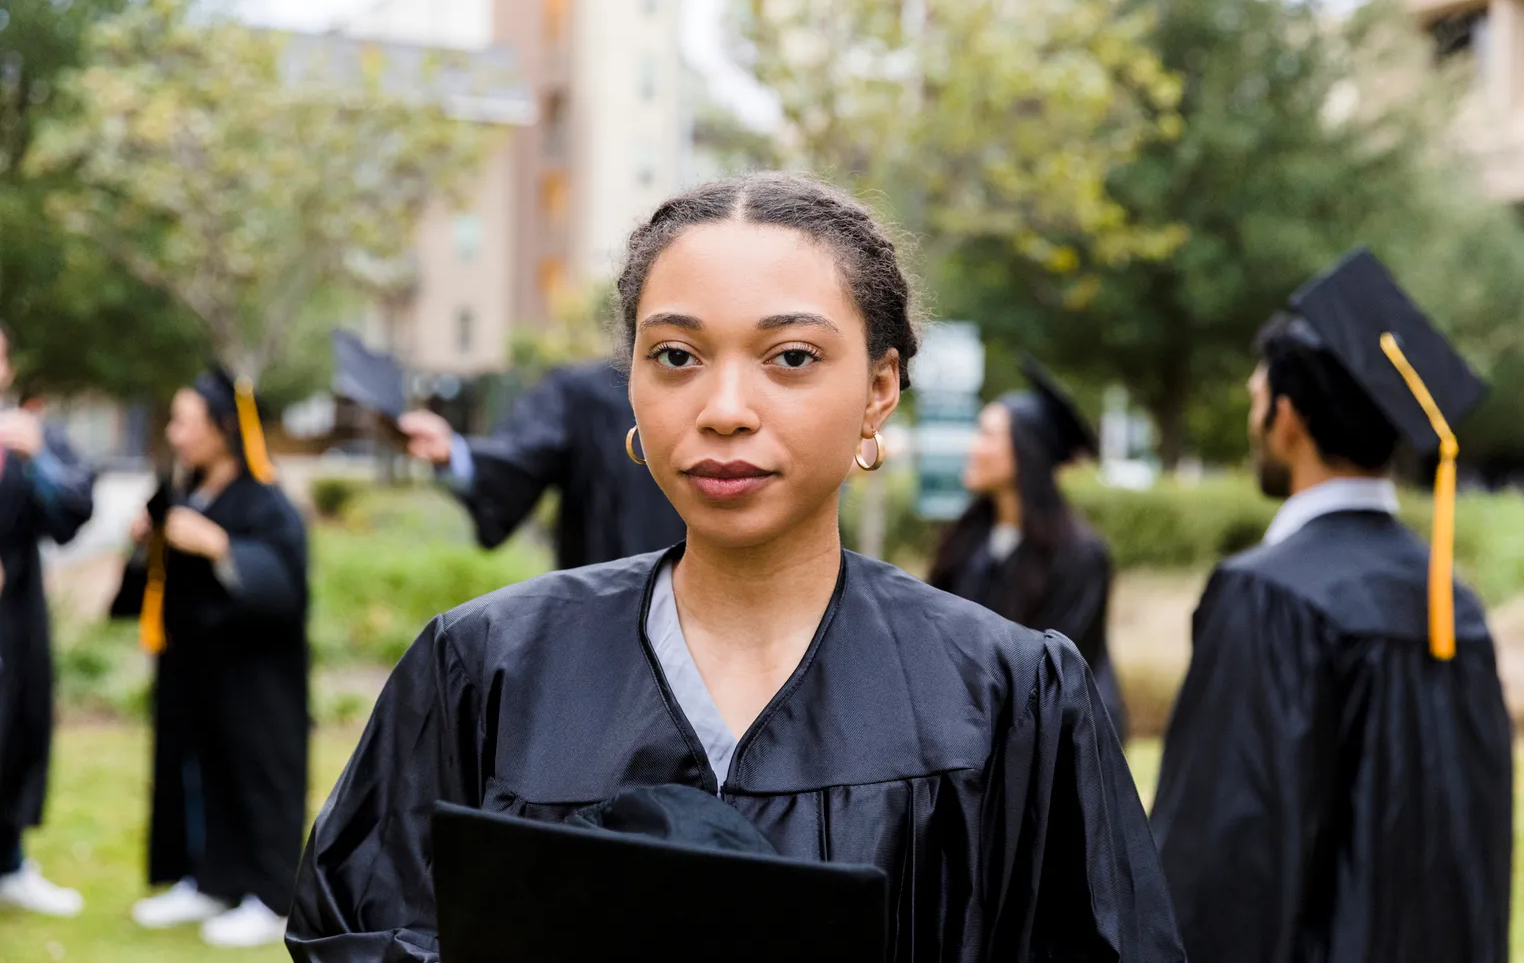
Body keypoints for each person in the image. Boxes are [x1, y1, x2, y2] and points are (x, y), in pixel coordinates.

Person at [287, 172, 1182, 961]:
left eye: (791, 358)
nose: (722, 410)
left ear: (879, 390)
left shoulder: (1004, 697)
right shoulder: (486, 669)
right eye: (675, 356)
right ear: (629, 381)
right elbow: (361, 929)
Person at [1151, 248, 1512, 963]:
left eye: (1257, 401)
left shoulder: (1269, 597)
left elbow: (1221, 866)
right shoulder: (1453, 604)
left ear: (1288, 417)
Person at [110, 369, 309, 949]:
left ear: (224, 428)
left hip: (255, 675)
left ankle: (272, 898)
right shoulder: (184, 491)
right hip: (195, 669)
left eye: (183, 422)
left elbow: (286, 583)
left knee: (257, 775)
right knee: (198, 774)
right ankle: (208, 881)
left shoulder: (267, 500)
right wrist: (144, 540)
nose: (173, 434)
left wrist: (220, 545)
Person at [928, 357, 1128, 741]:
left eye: (986, 435)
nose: (973, 447)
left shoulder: (1080, 556)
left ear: (1024, 451)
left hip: (1051, 749)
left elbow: (1058, 675)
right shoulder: (967, 540)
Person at [399, 358, 686, 568]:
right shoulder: (585, 394)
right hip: (610, 620)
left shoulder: (723, 399)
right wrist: (453, 452)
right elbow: (521, 457)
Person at [0, 326, 95, 917]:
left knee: (16, 735)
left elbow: (73, 512)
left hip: (14, 618)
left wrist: (37, 461)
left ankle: (8, 863)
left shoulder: (27, 438)